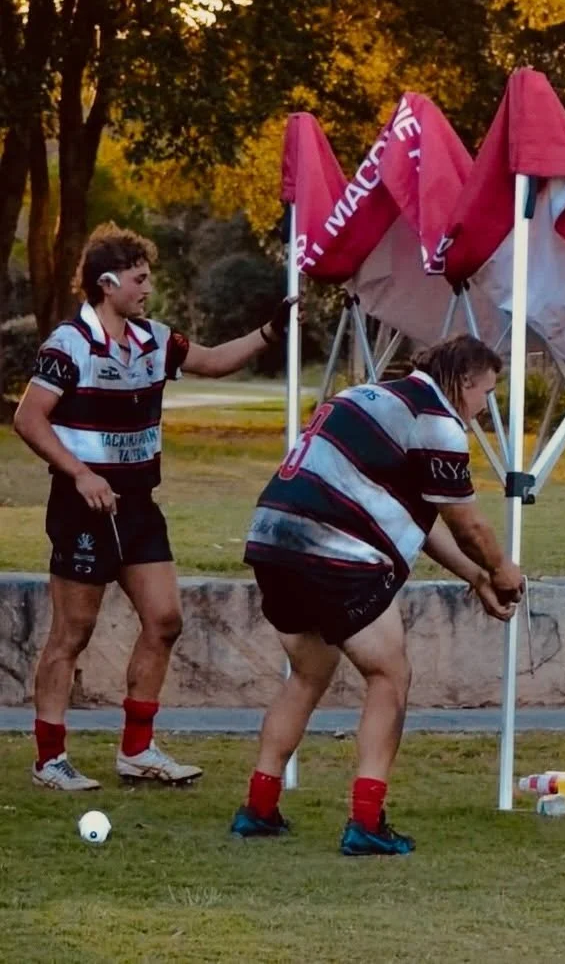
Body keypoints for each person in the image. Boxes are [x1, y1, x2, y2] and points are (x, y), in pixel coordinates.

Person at [14, 223, 294, 791]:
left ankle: (137, 750)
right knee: (73, 632)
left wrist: (272, 331)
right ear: (108, 282)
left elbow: (213, 361)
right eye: (139, 280)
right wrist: (81, 473)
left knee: (165, 621)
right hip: (80, 507)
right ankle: (50, 759)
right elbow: (28, 418)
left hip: (138, 506)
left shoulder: (153, 339)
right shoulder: (69, 345)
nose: (147, 289)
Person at [230, 334, 525, 856]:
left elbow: (414, 515)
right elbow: (467, 524)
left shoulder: (366, 396)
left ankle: (259, 807)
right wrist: (501, 570)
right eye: (487, 391)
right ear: (463, 381)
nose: (486, 406)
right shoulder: (438, 423)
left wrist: (475, 579)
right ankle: (366, 823)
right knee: (390, 675)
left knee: (307, 673)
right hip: (334, 550)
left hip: (272, 540)